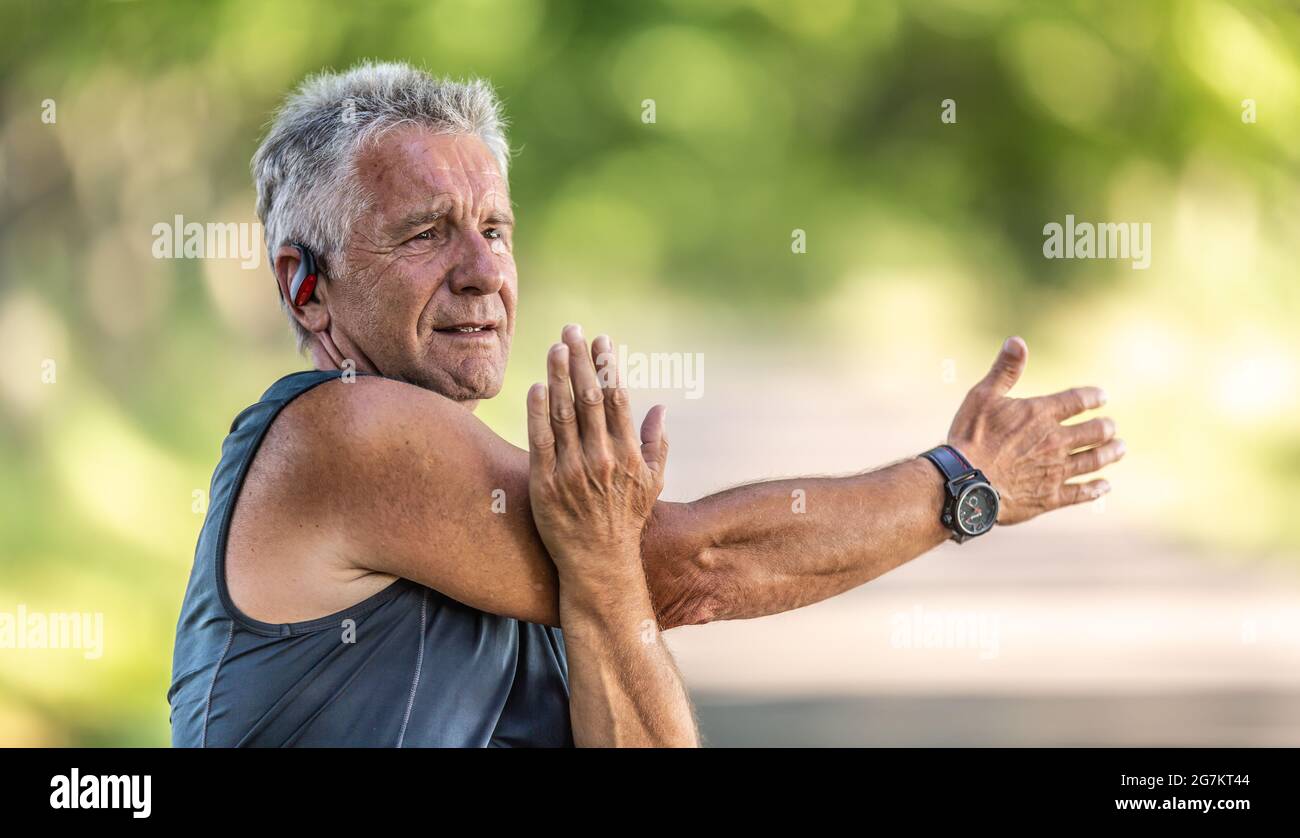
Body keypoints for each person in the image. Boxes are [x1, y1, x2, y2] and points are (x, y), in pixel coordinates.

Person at [168, 62, 1124, 747]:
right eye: (427, 233)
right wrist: (963, 483)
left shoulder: (481, 476)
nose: (483, 273)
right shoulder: (345, 432)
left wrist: (611, 569)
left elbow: (630, 601)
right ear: (307, 288)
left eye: (497, 229)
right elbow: (685, 567)